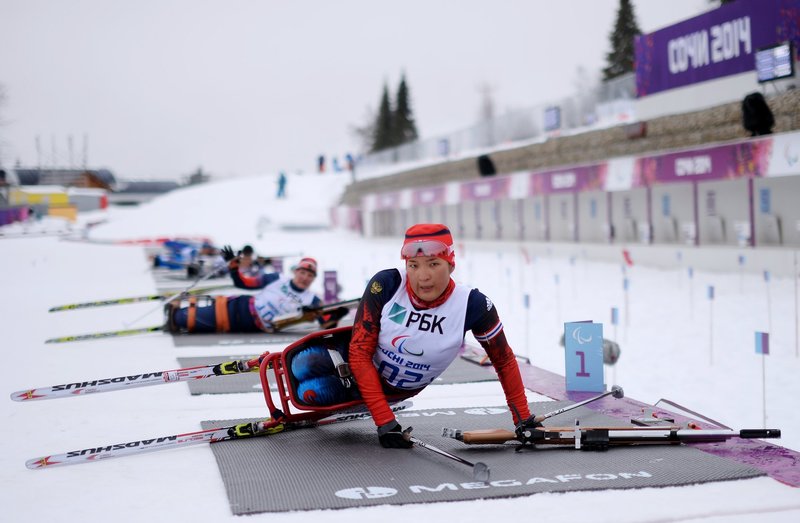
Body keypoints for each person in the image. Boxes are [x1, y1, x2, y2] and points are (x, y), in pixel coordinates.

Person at [288, 223, 532, 448]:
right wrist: (385, 421)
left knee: (307, 393)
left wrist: (523, 419)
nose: (423, 276)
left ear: (451, 265)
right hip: (353, 361)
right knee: (300, 364)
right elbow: (359, 353)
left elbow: (504, 361)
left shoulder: (473, 305)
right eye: (413, 265)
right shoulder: (386, 283)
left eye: (433, 264)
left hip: (388, 390)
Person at [165, 250, 347, 333]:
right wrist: (234, 267)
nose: (305, 277)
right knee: (179, 317)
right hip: (238, 307)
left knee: (183, 320)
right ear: (295, 272)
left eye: (309, 275)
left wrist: (335, 316)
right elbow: (244, 283)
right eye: (302, 272)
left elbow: (326, 327)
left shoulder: (312, 300)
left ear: (313, 279)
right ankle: (175, 310)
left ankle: (176, 315)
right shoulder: (276, 278)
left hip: (249, 325)